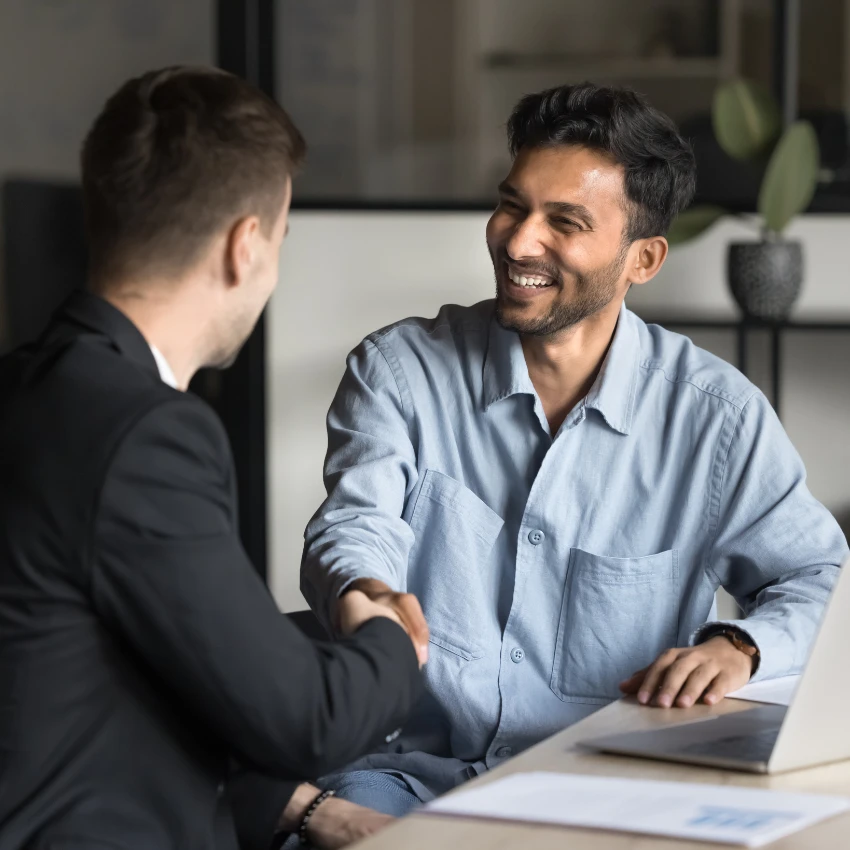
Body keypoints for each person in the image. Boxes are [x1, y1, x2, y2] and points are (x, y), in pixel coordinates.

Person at [300, 82, 849, 815]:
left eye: (565, 221)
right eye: (512, 205)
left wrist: (740, 646)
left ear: (643, 259)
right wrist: (363, 590)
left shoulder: (716, 419)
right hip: (403, 775)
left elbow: (821, 578)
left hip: (607, 787)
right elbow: (354, 523)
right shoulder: (398, 371)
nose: (520, 241)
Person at [0, 66, 430, 850]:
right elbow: (307, 718)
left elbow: (104, 676)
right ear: (246, 246)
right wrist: (392, 639)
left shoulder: (30, 388)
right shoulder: (146, 435)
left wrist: (299, 808)